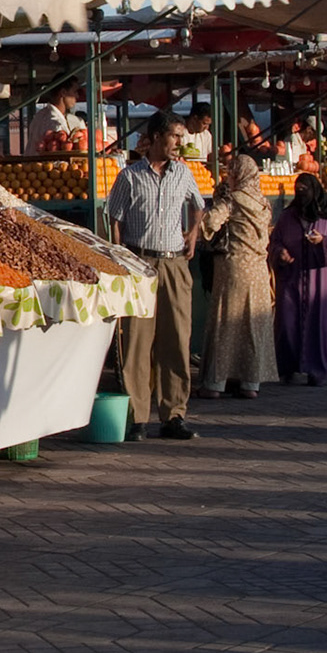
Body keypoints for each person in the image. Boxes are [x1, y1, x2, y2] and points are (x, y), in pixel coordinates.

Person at [105, 111, 204, 441]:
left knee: (176, 338)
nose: (180, 143)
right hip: (140, 263)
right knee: (137, 341)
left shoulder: (184, 174)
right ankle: (137, 416)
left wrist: (193, 233)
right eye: (176, 136)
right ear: (158, 137)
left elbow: (198, 204)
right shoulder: (129, 176)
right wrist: (121, 258)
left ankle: (174, 414)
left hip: (174, 263)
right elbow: (114, 219)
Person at [194, 153, 277, 400]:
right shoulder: (263, 202)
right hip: (259, 271)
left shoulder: (233, 200)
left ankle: (215, 383)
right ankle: (249, 383)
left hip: (233, 267)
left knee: (226, 323)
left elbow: (210, 223)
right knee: (252, 326)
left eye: (231, 171)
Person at [271, 173, 327, 386]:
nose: (301, 192)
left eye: (306, 188)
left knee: (321, 326)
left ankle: (318, 370)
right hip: (292, 280)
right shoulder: (288, 217)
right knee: (288, 325)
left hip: (321, 282)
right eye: (298, 188)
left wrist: (324, 241)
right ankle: (288, 367)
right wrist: (280, 252)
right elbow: (275, 241)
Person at [28, 82, 87, 150]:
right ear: (63, 92)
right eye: (75, 92)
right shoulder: (54, 121)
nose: (77, 96)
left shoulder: (39, 115)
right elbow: (60, 146)